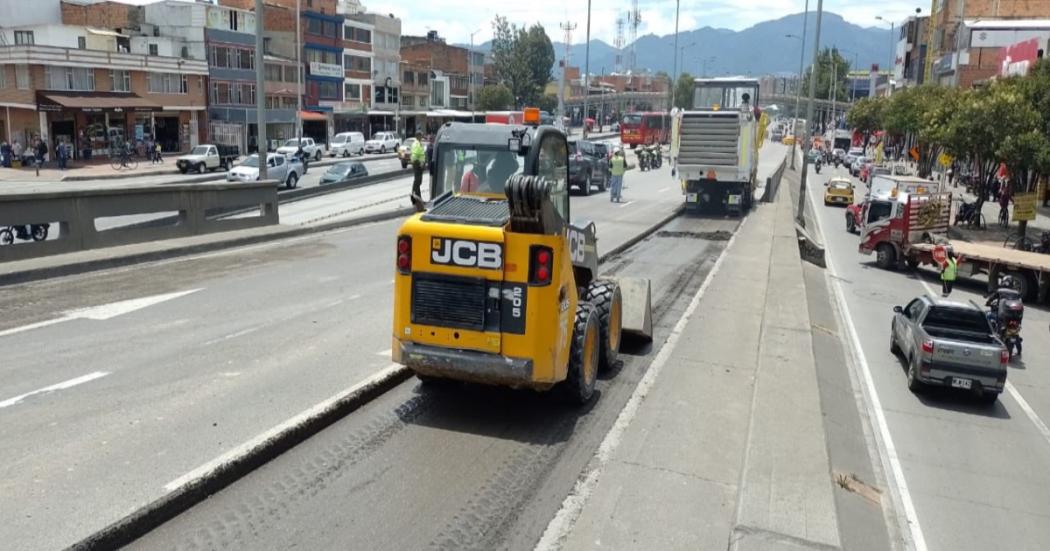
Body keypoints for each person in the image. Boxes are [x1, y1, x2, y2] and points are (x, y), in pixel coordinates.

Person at [409, 132, 426, 209]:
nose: (422, 136)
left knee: (418, 182)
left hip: (418, 165)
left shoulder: (418, 143)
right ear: (418, 136)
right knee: (417, 181)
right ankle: (413, 196)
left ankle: (419, 199)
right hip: (418, 165)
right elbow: (415, 156)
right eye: (421, 135)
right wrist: (420, 163)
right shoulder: (416, 144)